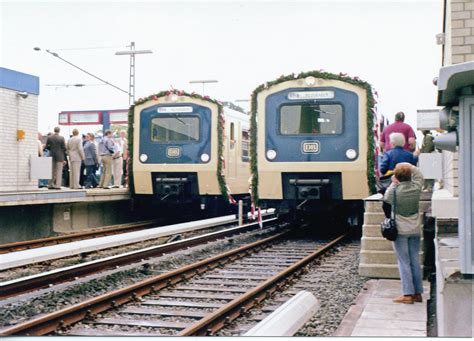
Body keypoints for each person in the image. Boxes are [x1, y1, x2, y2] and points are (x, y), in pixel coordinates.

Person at [384, 163, 424, 304]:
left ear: (397, 176)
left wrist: (393, 183)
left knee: (403, 262)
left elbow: (386, 199)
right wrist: (409, 166)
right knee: (414, 260)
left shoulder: (394, 191)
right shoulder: (416, 187)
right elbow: (419, 174)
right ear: (409, 175)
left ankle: (407, 294)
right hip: (415, 228)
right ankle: (418, 293)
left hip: (400, 230)